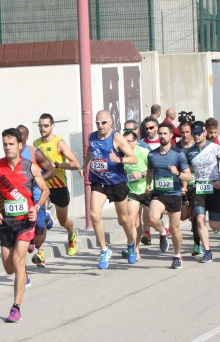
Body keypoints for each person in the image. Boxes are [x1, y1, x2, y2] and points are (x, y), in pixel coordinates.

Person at [0, 128, 49, 323]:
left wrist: (36, 206)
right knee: (9, 268)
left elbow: (45, 190)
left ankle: (16, 307)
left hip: (25, 221)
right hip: (6, 223)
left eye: (11, 144)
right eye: (4, 144)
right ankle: (24, 254)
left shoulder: (31, 167)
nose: (7, 148)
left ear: (19, 145)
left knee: (18, 262)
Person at [80, 110, 138, 269]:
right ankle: (104, 250)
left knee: (123, 219)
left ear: (111, 122)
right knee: (94, 214)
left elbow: (134, 158)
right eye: (97, 123)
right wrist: (85, 165)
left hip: (117, 183)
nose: (100, 126)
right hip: (99, 181)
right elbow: (89, 152)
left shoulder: (117, 137)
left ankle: (131, 243)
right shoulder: (91, 137)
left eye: (103, 123)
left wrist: (119, 159)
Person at [184, 121, 220, 263]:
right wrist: (185, 183)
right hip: (198, 189)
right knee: (199, 219)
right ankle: (207, 251)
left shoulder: (215, 148)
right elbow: (188, 169)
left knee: (214, 225)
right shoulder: (190, 152)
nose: (197, 136)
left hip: (214, 188)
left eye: (199, 133)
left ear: (205, 133)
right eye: (194, 134)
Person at [146, 123, 193, 269]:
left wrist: (178, 173)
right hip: (159, 194)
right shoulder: (152, 155)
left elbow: (189, 177)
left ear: (171, 135)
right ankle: (162, 231)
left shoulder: (178, 154)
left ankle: (177, 255)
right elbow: (149, 171)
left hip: (174, 194)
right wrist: (148, 184)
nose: (162, 136)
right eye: (160, 133)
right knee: (152, 218)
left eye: (165, 133)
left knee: (175, 229)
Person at [34, 114, 81, 256]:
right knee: (42, 217)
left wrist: (57, 165)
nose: (43, 128)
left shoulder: (58, 142)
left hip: (59, 186)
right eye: (40, 125)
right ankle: (40, 252)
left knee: (63, 221)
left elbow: (76, 164)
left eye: (46, 125)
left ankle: (72, 234)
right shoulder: (36, 144)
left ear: (52, 126)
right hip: (44, 186)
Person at [17, 125, 54, 268]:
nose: (18, 136)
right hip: (21, 197)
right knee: (23, 229)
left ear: (26, 137)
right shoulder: (11, 154)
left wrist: (36, 179)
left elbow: (51, 171)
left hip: (37, 195)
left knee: (39, 240)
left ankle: (45, 219)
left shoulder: (34, 153)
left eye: (21, 134)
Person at [122, 131, 149, 260]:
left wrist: (142, 174)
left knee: (152, 220)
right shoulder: (121, 155)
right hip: (132, 191)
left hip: (148, 190)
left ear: (135, 141)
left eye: (129, 141)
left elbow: (153, 170)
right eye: (124, 141)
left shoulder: (143, 152)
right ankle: (135, 249)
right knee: (133, 219)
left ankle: (163, 231)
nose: (126, 144)